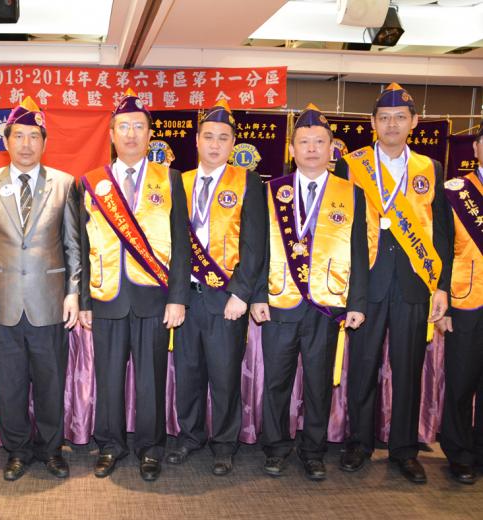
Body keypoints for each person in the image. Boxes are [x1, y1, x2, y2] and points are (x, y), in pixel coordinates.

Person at [336, 83, 451, 484]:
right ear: (372, 122)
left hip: (413, 285)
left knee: (408, 369)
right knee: (363, 367)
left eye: (400, 118)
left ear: (414, 122)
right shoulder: (351, 165)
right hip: (365, 284)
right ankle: (359, 443)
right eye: (384, 118)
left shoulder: (429, 168)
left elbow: (442, 233)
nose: (391, 124)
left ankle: (403, 449)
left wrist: (441, 286)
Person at [251, 104, 367, 480]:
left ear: (333, 148)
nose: (312, 148)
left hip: (326, 303)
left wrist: (357, 302)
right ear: (292, 148)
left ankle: (313, 450)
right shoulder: (272, 191)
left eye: (319, 142)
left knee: (318, 383)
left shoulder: (351, 194)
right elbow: (257, 249)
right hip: (279, 300)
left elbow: (360, 251)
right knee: (276, 382)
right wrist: (257, 296)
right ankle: (275, 447)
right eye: (304, 142)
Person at [79, 88, 190, 481]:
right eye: (123, 127)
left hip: (153, 298)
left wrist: (178, 298)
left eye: (138, 127)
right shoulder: (91, 182)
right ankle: (110, 444)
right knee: (108, 377)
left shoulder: (170, 179)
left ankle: (150, 448)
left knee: (151, 378)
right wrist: (84, 302)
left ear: (149, 134)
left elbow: (181, 244)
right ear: (111, 134)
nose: (130, 134)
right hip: (106, 295)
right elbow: (81, 246)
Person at [0, 97, 81, 481]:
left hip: (50, 302)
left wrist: (73, 291)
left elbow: (73, 244)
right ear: (6, 140)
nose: (26, 144)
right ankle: (16, 450)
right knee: (9, 384)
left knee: (51, 382)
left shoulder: (64, 184)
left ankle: (51, 450)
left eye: (34, 136)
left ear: (45, 142)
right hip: (3, 303)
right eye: (19, 136)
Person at [167, 99, 265, 476]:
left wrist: (241, 293)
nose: (214, 144)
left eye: (223, 138)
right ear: (196, 140)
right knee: (188, 373)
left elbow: (255, 244)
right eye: (208, 136)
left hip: (226, 299)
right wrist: (174, 296)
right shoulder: (179, 181)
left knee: (224, 376)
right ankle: (190, 436)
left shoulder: (248, 182)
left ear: (233, 143)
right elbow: (173, 243)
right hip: (187, 299)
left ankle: (224, 443)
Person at [437, 122, 483, 484]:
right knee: (461, 379)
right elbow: (441, 251)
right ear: (477, 148)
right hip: (466, 298)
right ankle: (459, 452)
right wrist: (444, 303)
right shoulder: (455, 191)